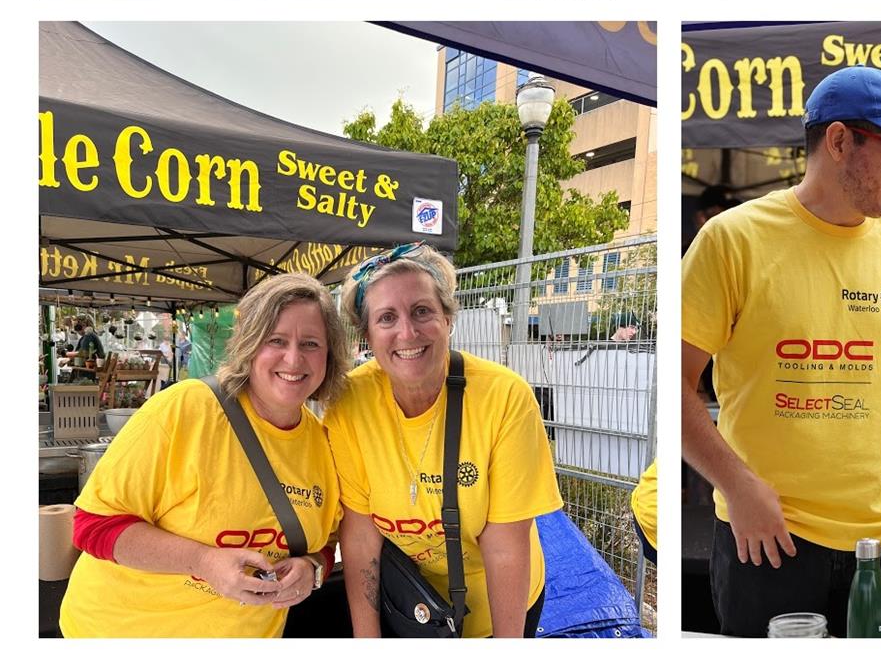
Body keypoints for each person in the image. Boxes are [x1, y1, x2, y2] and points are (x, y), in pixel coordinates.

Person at [680, 68, 881, 636]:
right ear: (839, 141)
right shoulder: (733, 239)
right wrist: (738, 487)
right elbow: (677, 381)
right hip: (769, 537)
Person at [62, 272, 346, 637]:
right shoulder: (185, 408)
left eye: (310, 343)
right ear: (249, 345)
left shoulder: (326, 443)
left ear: (329, 355)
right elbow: (92, 526)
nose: (293, 359)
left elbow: (327, 542)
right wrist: (203, 560)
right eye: (276, 340)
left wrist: (313, 569)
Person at [327, 242, 563, 637]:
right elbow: (360, 537)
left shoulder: (504, 399)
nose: (407, 332)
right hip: (413, 601)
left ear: (449, 319)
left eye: (422, 311)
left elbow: (505, 548)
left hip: (498, 605)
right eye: (387, 318)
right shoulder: (348, 404)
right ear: (367, 334)